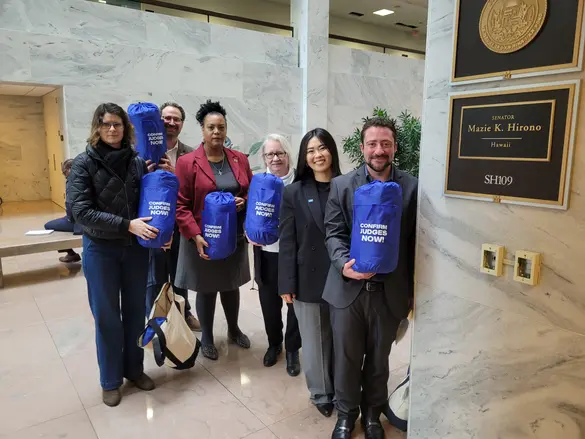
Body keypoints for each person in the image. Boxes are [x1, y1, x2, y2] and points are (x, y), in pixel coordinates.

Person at [324, 117, 417, 439]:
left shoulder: (412, 187)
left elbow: (417, 244)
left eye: (386, 144)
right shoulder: (342, 185)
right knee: (346, 360)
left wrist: (415, 291)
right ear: (362, 148)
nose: (379, 150)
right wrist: (342, 264)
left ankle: (373, 415)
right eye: (373, 144)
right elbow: (333, 233)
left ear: (394, 148)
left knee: (380, 359)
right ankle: (346, 416)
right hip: (347, 290)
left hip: (390, 292)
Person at [68, 103, 164, 407]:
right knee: (107, 316)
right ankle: (110, 380)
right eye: (107, 124)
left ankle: (134, 369)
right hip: (100, 250)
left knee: (136, 312)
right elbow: (79, 212)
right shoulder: (84, 163)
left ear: (126, 128)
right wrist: (127, 225)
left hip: (134, 249)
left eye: (118, 125)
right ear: (97, 127)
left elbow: (144, 203)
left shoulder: (136, 161)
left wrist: (157, 228)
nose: (112, 130)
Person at [175, 100, 252, 361]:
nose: (217, 132)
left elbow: (249, 191)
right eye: (211, 127)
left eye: (221, 126)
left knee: (231, 286)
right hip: (202, 238)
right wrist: (195, 235)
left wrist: (244, 200)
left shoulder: (239, 159)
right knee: (206, 288)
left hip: (233, 235)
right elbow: (181, 204)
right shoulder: (187, 162)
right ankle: (206, 336)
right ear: (202, 130)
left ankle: (233, 329)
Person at [279, 128, 342, 417]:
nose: (318, 155)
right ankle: (320, 392)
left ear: (332, 151)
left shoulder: (347, 186)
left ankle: (343, 388)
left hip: (344, 277)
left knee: (341, 339)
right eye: (311, 151)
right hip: (308, 276)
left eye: (322, 148)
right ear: (305, 157)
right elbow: (288, 240)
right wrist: (286, 283)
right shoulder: (294, 192)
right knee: (314, 340)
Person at [145, 102, 201, 331]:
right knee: (154, 276)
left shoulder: (191, 153)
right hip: (152, 223)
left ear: (182, 124)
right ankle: (156, 319)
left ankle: (184, 312)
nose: (171, 122)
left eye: (176, 119)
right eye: (166, 118)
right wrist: (145, 173)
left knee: (181, 273)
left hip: (180, 223)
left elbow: (194, 189)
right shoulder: (144, 150)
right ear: (159, 121)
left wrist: (173, 175)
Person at [249, 134, 301, 376]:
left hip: (295, 255)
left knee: (295, 305)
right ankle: (274, 344)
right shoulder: (258, 182)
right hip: (266, 254)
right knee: (269, 303)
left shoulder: (300, 181)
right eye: (270, 154)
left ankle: (292, 349)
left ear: (288, 154)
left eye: (280, 153)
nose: (275, 158)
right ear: (264, 158)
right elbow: (249, 214)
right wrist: (248, 233)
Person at [45, 159, 82, 263]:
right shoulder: (86, 177)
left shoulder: (71, 181)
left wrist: (69, 219)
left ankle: (70, 254)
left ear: (69, 169)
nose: (64, 175)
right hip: (89, 219)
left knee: (48, 226)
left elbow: (70, 206)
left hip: (78, 222)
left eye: (64, 172)